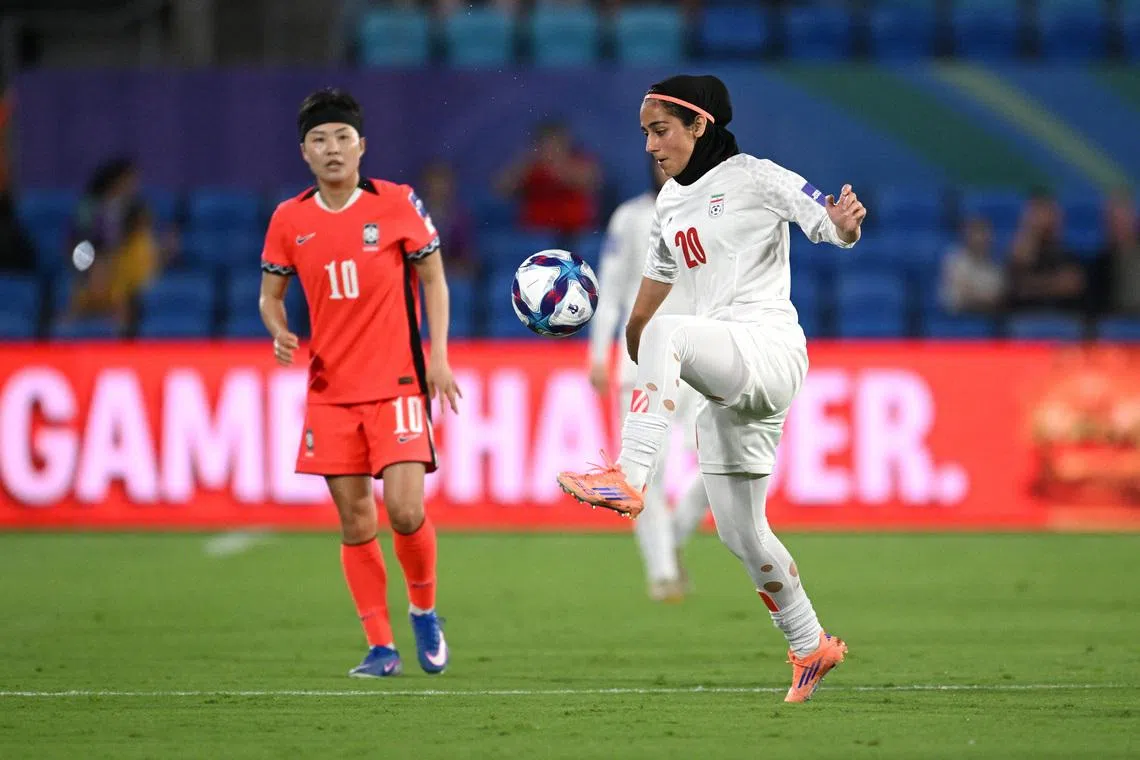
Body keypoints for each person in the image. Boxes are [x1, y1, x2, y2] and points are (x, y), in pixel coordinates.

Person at [558, 75, 866, 703]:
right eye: (644, 131)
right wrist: (632, 342)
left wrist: (843, 224)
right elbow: (650, 300)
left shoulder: (756, 176)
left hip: (769, 349)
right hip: (725, 374)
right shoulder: (669, 204)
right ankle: (810, 644)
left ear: (699, 125)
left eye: (660, 129)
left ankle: (629, 476)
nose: (648, 144)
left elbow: (827, 224)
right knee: (740, 533)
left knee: (674, 334)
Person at [259, 88, 462, 678]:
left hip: (397, 382)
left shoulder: (396, 203)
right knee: (355, 522)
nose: (332, 149)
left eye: (342, 138)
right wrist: (278, 328)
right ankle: (381, 646)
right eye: (320, 140)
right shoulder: (288, 219)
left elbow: (435, 280)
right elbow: (270, 296)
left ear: (361, 146)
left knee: (403, 510)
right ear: (304, 152)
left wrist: (438, 357)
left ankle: (423, 609)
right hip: (331, 392)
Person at [588, 158, 709, 603]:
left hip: (699, 358)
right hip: (639, 362)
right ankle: (661, 574)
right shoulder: (631, 217)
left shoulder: (711, 211)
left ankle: (671, 541)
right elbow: (611, 293)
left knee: (722, 465)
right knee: (645, 477)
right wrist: (598, 354)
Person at [496, 120, 601, 242]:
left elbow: (591, 183)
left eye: (556, 144)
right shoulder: (531, 166)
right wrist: (522, 168)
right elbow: (502, 189)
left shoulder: (580, 163)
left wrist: (558, 167)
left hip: (574, 235)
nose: (552, 148)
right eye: (547, 143)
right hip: (535, 234)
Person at [940, 215, 1004, 314]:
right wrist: (984, 298)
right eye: (976, 234)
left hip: (989, 316)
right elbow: (965, 296)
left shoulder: (996, 263)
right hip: (957, 317)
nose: (981, 239)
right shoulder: (955, 260)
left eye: (984, 234)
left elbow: (999, 296)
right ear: (967, 236)